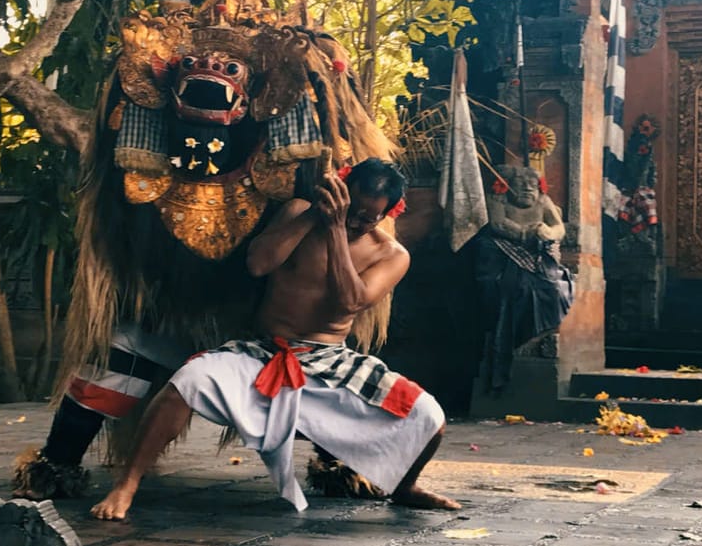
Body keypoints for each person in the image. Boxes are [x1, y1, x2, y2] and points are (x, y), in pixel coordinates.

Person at [91, 158, 460, 519]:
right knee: (188, 381)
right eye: (352, 209)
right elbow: (258, 264)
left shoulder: (392, 254)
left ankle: (405, 486)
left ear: (388, 213)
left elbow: (350, 301)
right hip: (265, 350)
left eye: (369, 217)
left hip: (330, 361)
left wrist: (335, 231)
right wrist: (317, 216)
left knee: (429, 416)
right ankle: (127, 485)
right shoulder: (299, 212)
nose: (356, 221)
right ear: (342, 194)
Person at [474, 165, 573, 394]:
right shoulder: (498, 201)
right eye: (520, 184)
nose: (527, 188)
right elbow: (498, 225)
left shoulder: (543, 202)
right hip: (503, 257)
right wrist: (525, 232)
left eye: (531, 184)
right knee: (513, 288)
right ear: (509, 187)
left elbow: (559, 227)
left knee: (554, 288)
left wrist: (547, 232)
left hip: (539, 258)